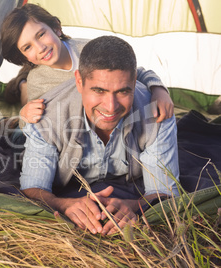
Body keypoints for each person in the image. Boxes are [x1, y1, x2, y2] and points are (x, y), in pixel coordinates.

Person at [19, 35, 180, 236]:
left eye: (122, 92)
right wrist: (63, 204)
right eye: (99, 91)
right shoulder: (46, 118)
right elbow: (33, 187)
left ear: (134, 82)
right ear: (79, 81)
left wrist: (133, 206)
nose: (110, 106)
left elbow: (165, 193)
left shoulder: (157, 113)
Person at [0, 4, 174, 126]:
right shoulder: (38, 80)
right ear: (24, 56)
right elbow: (33, 124)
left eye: (41, 35)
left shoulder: (91, 50)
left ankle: (20, 84)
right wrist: (23, 116)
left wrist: (159, 90)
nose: (40, 47)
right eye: (27, 47)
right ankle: (10, 116)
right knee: (18, 134)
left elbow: (137, 73)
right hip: (37, 89)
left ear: (56, 28)